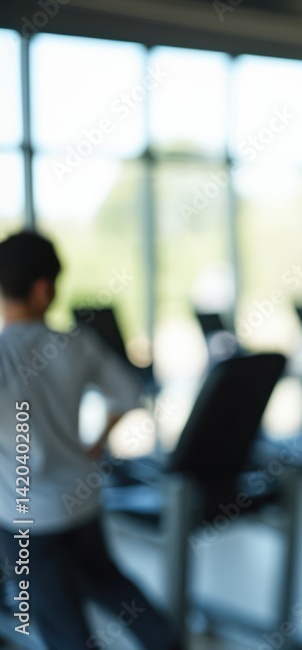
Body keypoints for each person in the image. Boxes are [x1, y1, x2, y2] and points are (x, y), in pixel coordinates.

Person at [0, 231, 179, 649]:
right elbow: (128, 394)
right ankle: (167, 642)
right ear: (44, 289)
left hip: (29, 522)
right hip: (81, 499)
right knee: (109, 584)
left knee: (62, 627)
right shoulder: (75, 343)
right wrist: (97, 442)